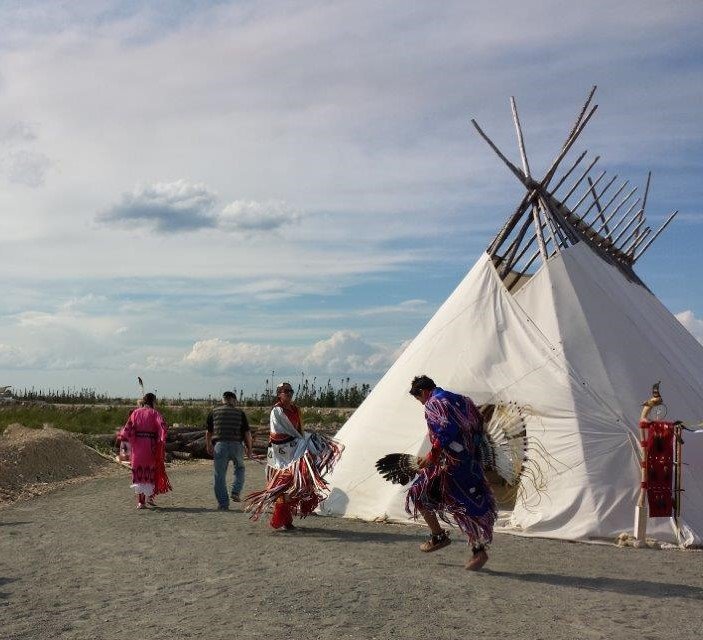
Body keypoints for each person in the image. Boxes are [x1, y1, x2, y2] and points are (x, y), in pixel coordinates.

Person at [407, 375, 497, 571]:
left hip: (452, 464)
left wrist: (431, 456)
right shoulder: (461, 400)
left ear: (422, 392)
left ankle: (440, 537)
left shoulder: (434, 402)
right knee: (464, 506)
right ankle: (476, 550)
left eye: (418, 398)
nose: (420, 402)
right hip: (469, 463)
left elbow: (446, 430)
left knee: (418, 492)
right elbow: (479, 424)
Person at [245, 381, 343, 530]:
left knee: (296, 483)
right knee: (282, 484)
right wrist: (302, 439)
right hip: (280, 453)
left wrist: (304, 439)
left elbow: (299, 430)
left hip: (295, 448)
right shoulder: (277, 411)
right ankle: (283, 520)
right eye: (286, 391)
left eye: (291, 391)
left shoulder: (296, 409)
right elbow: (284, 429)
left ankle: (286, 519)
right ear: (279, 394)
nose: (289, 393)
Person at [117, 393, 171, 509]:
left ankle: (141, 502)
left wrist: (125, 448)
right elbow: (163, 427)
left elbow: (127, 430)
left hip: (137, 448)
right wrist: (160, 439)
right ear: (153, 402)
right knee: (150, 473)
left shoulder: (136, 413)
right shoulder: (155, 413)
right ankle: (150, 497)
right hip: (150, 448)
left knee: (139, 474)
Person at [205, 391, 254, 511]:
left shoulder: (214, 412)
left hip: (220, 445)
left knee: (219, 475)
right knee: (240, 468)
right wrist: (249, 449)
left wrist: (208, 446)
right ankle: (236, 492)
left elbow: (208, 432)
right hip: (237, 445)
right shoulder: (240, 413)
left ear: (223, 399)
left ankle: (223, 504)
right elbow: (247, 433)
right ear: (233, 400)